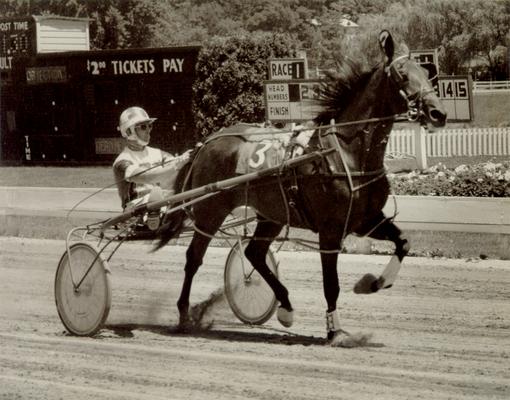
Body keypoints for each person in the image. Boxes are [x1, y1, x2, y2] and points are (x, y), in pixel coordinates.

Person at [113, 106, 191, 230]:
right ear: (129, 132)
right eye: (143, 127)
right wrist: (176, 165)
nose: (149, 130)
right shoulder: (121, 161)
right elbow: (146, 177)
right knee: (157, 194)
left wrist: (187, 158)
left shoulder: (158, 153)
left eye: (150, 126)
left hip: (162, 201)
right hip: (135, 210)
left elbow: (173, 164)